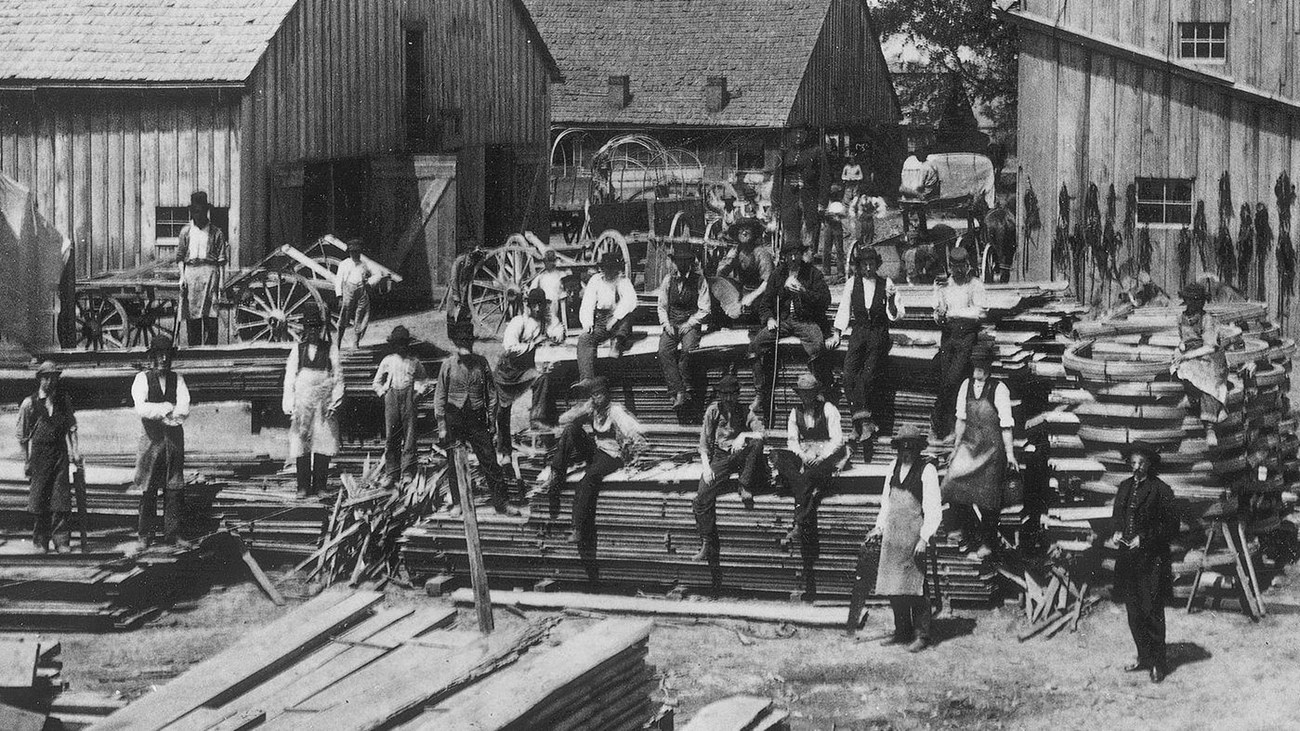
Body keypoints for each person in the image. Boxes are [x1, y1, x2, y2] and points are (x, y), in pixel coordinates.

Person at [546, 376, 647, 581]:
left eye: (599, 394)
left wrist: (634, 453)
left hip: (613, 455)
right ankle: (556, 475)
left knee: (588, 479)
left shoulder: (615, 411)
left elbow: (637, 434)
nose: (597, 398)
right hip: (596, 450)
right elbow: (564, 419)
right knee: (571, 429)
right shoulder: (593, 408)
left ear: (607, 394)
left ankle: (577, 529)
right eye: (593, 395)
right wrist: (584, 408)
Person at [773, 372, 848, 599]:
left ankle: (798, 522)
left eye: (810, 394)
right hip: (805, 456)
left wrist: (820, 454)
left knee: (807, 477)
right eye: (803, 394)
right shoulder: (794, 413)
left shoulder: (829, 410)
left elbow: (838, 440)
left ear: (816, 394)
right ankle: (804, 504)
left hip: (826, 457)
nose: (806, 398)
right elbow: (792, 441)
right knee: (779, 457)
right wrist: (803, 455)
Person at [867, 425, 941, 652]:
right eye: (902, 447)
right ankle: (902, 631)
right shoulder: (892, 467)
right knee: (894, 586)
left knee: (916, 588)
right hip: (893, 534)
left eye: (911, 447)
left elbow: (933, 508)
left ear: (918, 449)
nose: (906, 452)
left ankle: (922, 635)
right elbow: (886, 502)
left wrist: (924, 538)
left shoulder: (926, 470)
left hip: (914, 536)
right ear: (897, 449)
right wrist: (879, 527)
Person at [436, 319, 520, 517]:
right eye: (462, 343)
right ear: (457, 344)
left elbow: (491, 394)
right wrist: (442, 426)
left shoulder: (481, 363)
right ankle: (458, 502)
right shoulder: (448, 365)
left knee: (490, 460)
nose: (465, 347)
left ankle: (502, 502)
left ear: (472, 344)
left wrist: (491, 421)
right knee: (454, 462)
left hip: (476, 417)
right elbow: (440, 396)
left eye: (468, 343)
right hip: (454, 417)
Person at [1111, 441, 1179, 684]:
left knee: (1152, 612)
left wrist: (1145, 538)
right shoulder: (1124, 487)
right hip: (1128, 560)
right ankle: (1143, 656)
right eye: (1133, 463)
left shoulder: (1161, 490)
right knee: (1134, 613)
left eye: (1141, 463)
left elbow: (1172, 526)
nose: (1137, 467)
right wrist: (1118, 531)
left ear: (1150, 464)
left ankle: (1158, 664)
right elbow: (1117, 516)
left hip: (1152, 561)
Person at [941, 342, 1015, 559]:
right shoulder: (966, 385)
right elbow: (961, 419)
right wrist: (955, 449)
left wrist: (1010, 454)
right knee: (952, 483)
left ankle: (988, 542)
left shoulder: (999, 389)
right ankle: (968, 534)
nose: (978, 371)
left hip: (992, 449)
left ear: (989, 366)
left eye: (982, 366)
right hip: (970, 444)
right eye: (975, 366)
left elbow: (1006, 425)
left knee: (989, 498)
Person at [830, 246, 904, 451]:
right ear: (859, 266)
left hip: (879, 332)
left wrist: (890, 299)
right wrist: (837, 332)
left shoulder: (886, 283)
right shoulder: (852, 283)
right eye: (865, 264)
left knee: (867, 377)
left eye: (872, 264)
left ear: (877, 264)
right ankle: (864, 423)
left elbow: (896, 315)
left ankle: (860, 424)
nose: (869, 268)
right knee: (848, 376)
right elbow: (844, 308)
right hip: (859, 332)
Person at [749, 239, 832, 416]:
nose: (793, 258)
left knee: (818, 346)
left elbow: (825, 300)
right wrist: (770, 318)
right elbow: (765, 303)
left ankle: (818, 391)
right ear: (784, 257)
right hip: (783, 321)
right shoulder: (778, 275)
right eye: (789, 255)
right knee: (756, 345)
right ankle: (760, 393)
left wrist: (803, 291)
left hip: (806, 321)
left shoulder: (812, 274)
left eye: (796, 254)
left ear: (802, 255)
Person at [693, 374, 766, 563]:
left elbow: (761, 433)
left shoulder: (745, 410)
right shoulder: (713, 411)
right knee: (702, 496)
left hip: (740, 456)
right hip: (721, 456)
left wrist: (743, 435)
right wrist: (706, 468)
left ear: (738, 394)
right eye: (724, 394)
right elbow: (704, 442)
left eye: (732, 394)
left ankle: (744, 484)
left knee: (756, 444)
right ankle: (707, 541)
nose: (728, 398)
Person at [131, 335, 190, 548]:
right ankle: (144, 535)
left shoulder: (179, 379)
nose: (164, 359)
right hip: (151, 441)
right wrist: (165, 408)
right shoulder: (142, 379)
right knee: (148, 488)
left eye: (167, 355)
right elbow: (142, 408)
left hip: (174, 441)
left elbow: (183, 409)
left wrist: (165, 412)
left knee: (174, 487)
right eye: (159, 355)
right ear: (153, 357)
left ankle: (172, 534)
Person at [16, 362, 81, 553]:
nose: (51, 381)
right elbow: (21, 435)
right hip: (39, 456)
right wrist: (26, 460)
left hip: (60, 454)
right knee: (40, 499)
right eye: (47, 377)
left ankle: (61, 541)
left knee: (61, 499)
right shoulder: (30, 403)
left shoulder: (63, 400)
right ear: (40, 378)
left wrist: (75, 451)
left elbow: (72, 427)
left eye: (54, 377)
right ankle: (40, 542)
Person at [282, 307, 343, 498]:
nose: (313, 331)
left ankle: (320, 486)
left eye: (316, 327)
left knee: (322, 443)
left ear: (321, 329)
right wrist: (290, 404)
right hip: (303, 405)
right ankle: (302, 486)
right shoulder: (297, 350)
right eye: (309, 328)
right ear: (305, 330)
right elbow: (289, 379)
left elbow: (338, 378)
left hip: (322, 405)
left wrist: (334, 402)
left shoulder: (331, 349)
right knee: (302, 443)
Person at [931, 247, 986, 439]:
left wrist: (955, 314)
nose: (958, 271)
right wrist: (939, 314)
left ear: (967, 265)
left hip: (966, 335)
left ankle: (939, 420)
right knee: (946, 378)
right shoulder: (943, 284)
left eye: (961, 266)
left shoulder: (975, 285)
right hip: (948, 335)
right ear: (950, 266)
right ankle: (946, 427)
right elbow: (937, 312)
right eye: (954, 267)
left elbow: (980, 312)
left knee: (954, 379)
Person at [495, 288, 554, 459]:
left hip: (524, 370)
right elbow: (510, 347)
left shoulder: (544, 320)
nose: (537, 309)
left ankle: (536, 419)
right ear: (528, 305)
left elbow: (556, 328)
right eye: (534, 305)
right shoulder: (518, 322)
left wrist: (556, 335)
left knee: (541, 378)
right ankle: (503, 450)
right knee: (502, 411)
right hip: (507, 371)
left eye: (540, 305)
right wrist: (533, 344)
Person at [1171, 281, 1230, 448]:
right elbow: (1183, 339)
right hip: (1189, 355)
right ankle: (1193, 400)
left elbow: (1211, 346)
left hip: (1208, 357)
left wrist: (1188, 355)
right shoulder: (1181, 318)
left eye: (1198, 300)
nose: (1194, 303)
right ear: (1186, 300)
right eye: (1191, 299)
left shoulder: (1207, 320)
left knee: (1208, 382)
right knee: (1177, 369)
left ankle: (1209, 427)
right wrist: (1181, 349)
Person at [372, 325, 430, 486]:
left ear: (408, 344)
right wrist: (383, 394)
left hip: (409, 398)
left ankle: (407, 472)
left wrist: (418, 393)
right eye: (398, 343)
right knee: (391, 437)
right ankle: (392, 473)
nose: (401, 347)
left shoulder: (414, 362)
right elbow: (376, 382)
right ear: (393, 345)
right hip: (391, 397)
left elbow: (424, 381)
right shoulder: (388, 361)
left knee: (410, 436)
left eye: (404, 343)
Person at [657, 242, 710, 409]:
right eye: (678, 261)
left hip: (691, 323)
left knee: (688, 351)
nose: (681, 264)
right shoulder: (668, 280)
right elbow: (662, 306)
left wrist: (691, 323)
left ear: (690, 262)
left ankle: (685, 388)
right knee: (664, 351)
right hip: (672, 323)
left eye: (685, 261)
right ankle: (678, 390)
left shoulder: (699, 280)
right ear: (675, 262)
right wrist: (666, 324)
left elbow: (705, 308)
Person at [176, 191, 228, 346]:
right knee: (193, 316)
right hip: (191, 275)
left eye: (199, 211)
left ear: (206, 211)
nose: (196, 215)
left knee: (211, 315)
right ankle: (194, 352)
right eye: (194, 211)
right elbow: (180, 257)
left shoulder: (216, 232)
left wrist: (221, 283)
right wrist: (182, 276)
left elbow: (221, 260)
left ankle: (211, 353)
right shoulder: (185, 232)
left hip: (210, 274)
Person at [577, 251, 637, 381]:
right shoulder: (595, 281)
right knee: (584, 339)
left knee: (626, 318)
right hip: (600, 321)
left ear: (617, 269)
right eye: (606, 268)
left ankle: (616, 343)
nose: (609, 271)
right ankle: (587, 378)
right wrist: (587, 323)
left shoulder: (622, 281)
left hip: (619, 322)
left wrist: (615, 318)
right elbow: (588, 303)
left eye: (612, 268)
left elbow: (630, 301)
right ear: (602, 269)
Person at [775, 126, 828, 254]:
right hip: (789, 199)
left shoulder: (816, 151)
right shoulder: (785, 152)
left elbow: (824, 177)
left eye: (801, 132)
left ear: (807, 134)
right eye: (795, 132)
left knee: (809, 231)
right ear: (791, 134)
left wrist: (822, 202)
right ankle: (791, 261)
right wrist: (776, 203)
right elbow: (778, 179)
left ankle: (807, 260)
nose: (798, 136)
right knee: (790, 232)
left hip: (809, 198)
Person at [712, 217, 773, 321]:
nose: (744, 233)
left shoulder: (761, 253)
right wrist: (728, 259)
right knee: (715, 283)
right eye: (741, 230)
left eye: (747, 229)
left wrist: (751, 297)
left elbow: (768, 282)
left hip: (759, 293)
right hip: (743, 290)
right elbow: (720, 275)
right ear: (737, 234)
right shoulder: (738, 251)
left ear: (754, 232)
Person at [335, 239, 383, 349]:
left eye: (357, 252)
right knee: (344, 316)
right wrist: (339, 296)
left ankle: (355, 343)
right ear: (349, 252)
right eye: (352, 252)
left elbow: (378, 274)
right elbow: (338, 280)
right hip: (348, 290)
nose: (355, 254)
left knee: (361, 315)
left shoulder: (364, 264)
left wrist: (369, 283)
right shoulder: (344, 264)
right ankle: (338, 343)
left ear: (360, 252)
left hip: (361, 290)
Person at [530, 249, 571, 341]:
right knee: (546, 318)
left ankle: (556, 332)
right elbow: (532, 290)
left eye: (552, 261)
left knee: (554, 318)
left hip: (558, 300)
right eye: (547, 262)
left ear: (555, 262)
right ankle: (545, 332)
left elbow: (566, 288)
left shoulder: (561, 274)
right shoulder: (541, 276)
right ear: (544, 262)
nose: (549, 264)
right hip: (544, 301)